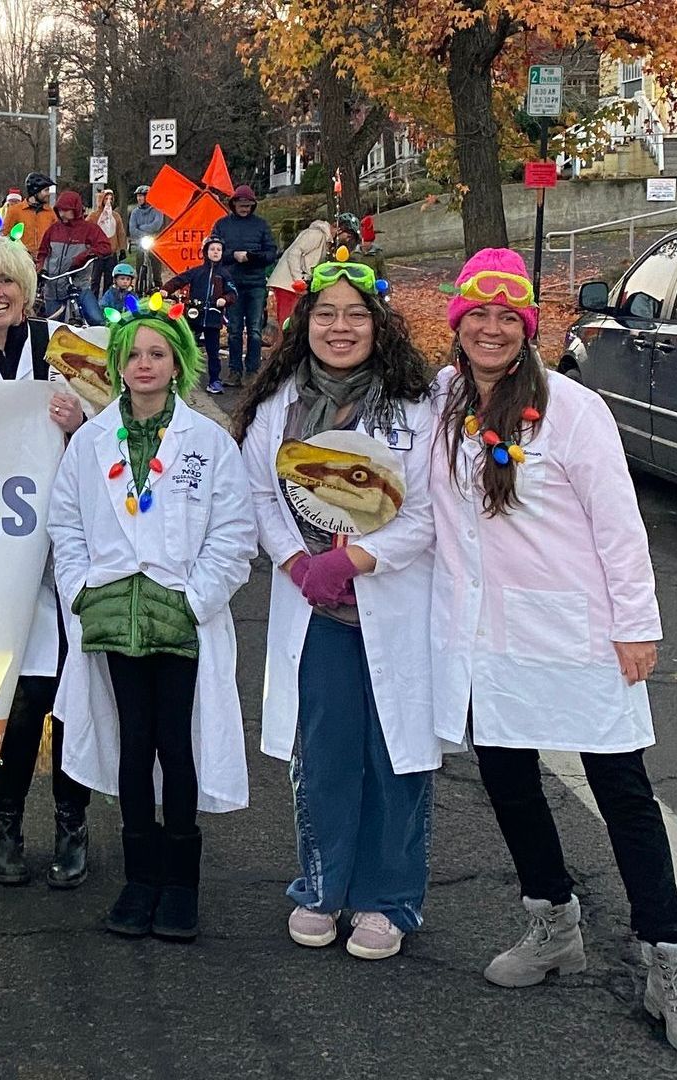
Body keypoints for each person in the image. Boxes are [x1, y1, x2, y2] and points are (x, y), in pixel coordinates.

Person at [429, 248, 677, 1060]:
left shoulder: (572, 409)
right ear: (458, 325)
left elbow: (619, 528)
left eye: (506, 317)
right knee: (510, 783)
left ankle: (670, 964)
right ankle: (553, 921)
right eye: (476, 315)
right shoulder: (443, 400)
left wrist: (637, 625)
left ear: (526, 328)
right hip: (487, 638)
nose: (490, 329)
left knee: (623, 793)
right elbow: (416, 502)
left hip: (577, 632)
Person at [232, 253, 443, 961]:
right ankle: (320, 887)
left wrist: (353, 559)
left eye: (356, 314)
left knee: (395, 757)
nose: (341, 327)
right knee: (323, 756)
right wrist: (296, 562)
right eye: (327, 314)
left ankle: (388, 900)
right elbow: (259, 495)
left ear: (379, 324)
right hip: (315, 609)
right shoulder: (277, 405)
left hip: (392, 601)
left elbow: (430, 511)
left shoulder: (416, 407)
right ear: (305, 323)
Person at [50, 305, 258, 940]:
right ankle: (139, 878)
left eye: (157, 355)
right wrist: (84, 592)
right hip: (115, 622)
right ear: (116, 365)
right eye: (132, 355)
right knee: (132, 746)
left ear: (177, 364)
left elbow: (235, 533)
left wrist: (194, 601)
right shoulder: (90, 443)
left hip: (182, 620)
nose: (143, 365)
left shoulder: (209, 443)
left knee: (179, 744)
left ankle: (181, 884)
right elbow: (66, 524)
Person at [0, 233, 94, 889]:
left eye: (4, 280)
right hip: (1, 557)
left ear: (26, 287)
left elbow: (119, 426)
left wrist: (80, 419)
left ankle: (72, 826)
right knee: (19, 702)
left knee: (75, 702)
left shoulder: (66, 346)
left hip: (72, 551)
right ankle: (5, 825)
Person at [211, 185, 279, 386]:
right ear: (233, 204)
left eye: (248, 205)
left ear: (253, 206)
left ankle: (252, 371)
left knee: (255, 330)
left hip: (255, 284)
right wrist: (233, 256)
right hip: (231, 284)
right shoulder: (222, 225)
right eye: (241, 205)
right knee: (233, 330)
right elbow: (213, 252)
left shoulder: (261, 226)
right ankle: (234, 371)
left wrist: (252, 257)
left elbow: (271, 254)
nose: (244, 208)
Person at [165, 239, 236, 394]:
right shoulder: (197, 271)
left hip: (213, 319)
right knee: (186, 347)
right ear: (205, 252)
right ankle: (180, 378)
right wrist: (165, 290)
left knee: (213, 352)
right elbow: (179, 280)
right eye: (212, 249)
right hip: (194, 317)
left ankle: (214, 380)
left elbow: (233, 293)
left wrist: (225, 299)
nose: (216, 252)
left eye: (219, 249)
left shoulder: (225, 274)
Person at [37, 190, 111, 324]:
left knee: (97, 319)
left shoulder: (90, 229)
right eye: (60, 210)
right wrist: (40, 269)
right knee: (53, 327)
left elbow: (105, 247)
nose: (62, 214)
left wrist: (85, 256)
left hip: (78, 285)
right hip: (53, 287)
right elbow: (42, 252)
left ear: (76, 209)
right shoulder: (53, 229)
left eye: (66, 210)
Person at [3, 172, 59, 265]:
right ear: (35, 191)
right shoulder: (15, 211)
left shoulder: (50, 213)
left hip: (45, 263)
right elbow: (6, 237)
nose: (49, 194)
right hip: (21, 262)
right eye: (46, 190)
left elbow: (56, 238)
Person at [128, 185, 169, 292]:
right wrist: (144, 232)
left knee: (156, 268)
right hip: (141, 243)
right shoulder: (135, 212)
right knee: (139, 265)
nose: (139, 198)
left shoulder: (157, 210)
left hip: (154, 243)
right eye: (138, 196)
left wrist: (141, 228)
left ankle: (159, 287)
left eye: (142, 196)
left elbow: (156, 225)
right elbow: (132, 230)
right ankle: (139, 287)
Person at [90, 188, 128, 301]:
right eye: (106, 198)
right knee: (95, 281)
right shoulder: (94, 216)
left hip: (111, 254)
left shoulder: (115, 216)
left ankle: (107, 303)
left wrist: (122, 249)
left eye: (110, 199)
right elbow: (86, 229)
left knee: (109, 281)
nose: (108, 201)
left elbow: (120, 233)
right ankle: (93, 304)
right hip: (97, 254)